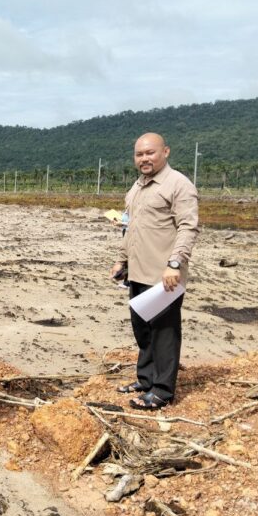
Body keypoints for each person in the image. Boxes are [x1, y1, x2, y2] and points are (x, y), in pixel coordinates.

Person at [111, 133, 199, 410]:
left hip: (164, 276)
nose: (144, 159)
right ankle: (146, 379)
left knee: (164, 332)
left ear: (166, 152)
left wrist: (175, 264)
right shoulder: (136, 187)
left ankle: (162, 390)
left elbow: (188, 227)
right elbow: (129, 227)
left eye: (150, 153)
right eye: (139, 154)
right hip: (138, 271)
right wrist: (121, 261)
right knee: (143, 330)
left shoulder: (178, 184)